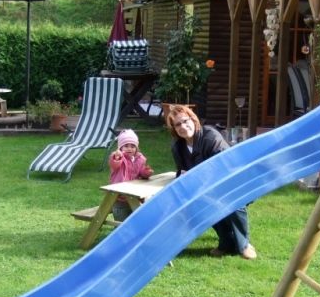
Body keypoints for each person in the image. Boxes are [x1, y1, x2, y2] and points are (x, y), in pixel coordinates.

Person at [166, 104, 257, 259]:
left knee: (231, 202)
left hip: (233, 182)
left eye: (185, 121)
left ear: (193, 120)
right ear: (174, 129)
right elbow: (181, 173)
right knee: (199, 206)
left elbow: (224, 167)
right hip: (205, 188)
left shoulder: (210, 136)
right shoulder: (177, 147)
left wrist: (195, 177)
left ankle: (244, 245)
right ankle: (226, 243)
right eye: (178, 124)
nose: (183, 126)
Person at [108, 129, 154, 221]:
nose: (129, 148)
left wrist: (146, 172)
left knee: (135, 217)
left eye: (133, 146)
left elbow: (141, 172)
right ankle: (120, 230)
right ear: (120, 147)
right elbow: (114, 164)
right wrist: (116, 158)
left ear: (136, 147)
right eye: (126, 146)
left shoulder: (139, 159)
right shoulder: (119, 157)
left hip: (134, 194)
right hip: (119, 196)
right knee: (122, 219)